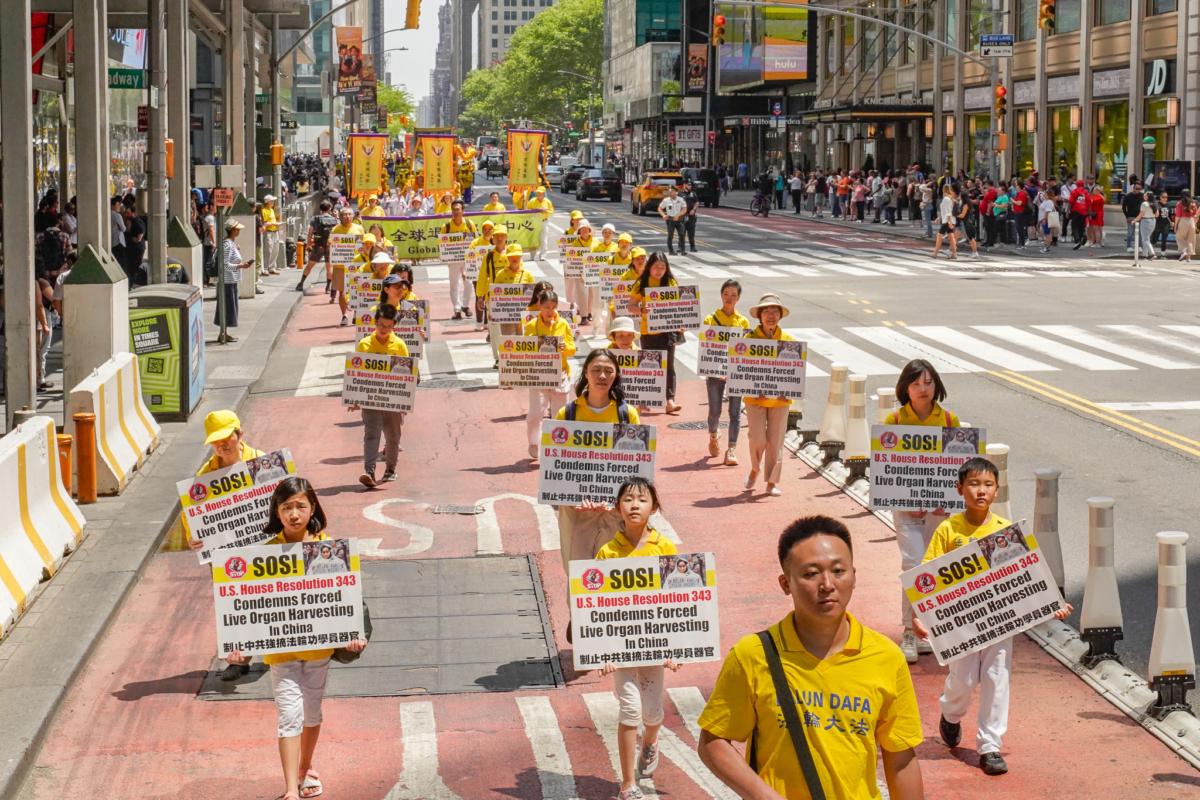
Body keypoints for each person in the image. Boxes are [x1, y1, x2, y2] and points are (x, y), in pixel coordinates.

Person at [698, 515, 925, 800]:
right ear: (785, 583)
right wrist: (763, 796)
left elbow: (901, 757)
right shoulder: (753, 655)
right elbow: (713, 740)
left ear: (854, 575)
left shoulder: (886, 657)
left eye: (839, 571)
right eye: (810, 573)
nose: (827, 584)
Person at [913, 458, 1072, 776]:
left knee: (997, 678)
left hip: (999, 625)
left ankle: (990, 747)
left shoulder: (1005, 532)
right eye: (973, 484)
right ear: (960, 489)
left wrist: (1050, 606)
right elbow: (926, 578)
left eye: (987, 484)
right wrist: (921, 616)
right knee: (965, 680)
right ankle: (950, 713)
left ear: (996, 490)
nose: (981, 490)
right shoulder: (948, 530)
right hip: (961, 626)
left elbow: (1026, 581)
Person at [224, 477, 368, 800]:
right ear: (277, 511)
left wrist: (353, 635)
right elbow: (253, 606)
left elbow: (344, 600)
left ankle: (306, 767)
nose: (293, 514)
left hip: (318, 651)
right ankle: (291, 789)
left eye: (300, 506)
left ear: (313, 507)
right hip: (281, 654)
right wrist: (241, 646)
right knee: (290, 716)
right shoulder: (262, 555)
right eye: (286, 507)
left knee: (312, 713)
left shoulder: (329, 549)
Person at [593, 478, 680, 800]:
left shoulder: (665, 548)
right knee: (629, 711)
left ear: (654, 508)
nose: (634, 505)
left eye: (642, 500)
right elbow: (596, 607)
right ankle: (627, 784)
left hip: (655, 648)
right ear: (617, 507)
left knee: (653, 714)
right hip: (621, 649)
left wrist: (675, 648)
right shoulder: (607, 552)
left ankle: (651, 741)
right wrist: (602, 652)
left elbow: (679, 604)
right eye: (627, 499)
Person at [882, 359, 959, 663]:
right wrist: (908, 497)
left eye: (928, 382)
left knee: (934, 567)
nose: (923, 389)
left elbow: (958, 468)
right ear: (906, 388)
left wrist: (947, 497)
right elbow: (886, 468)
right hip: (906, 509)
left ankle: (928, 627)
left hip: (938, 511)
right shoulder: (896, 421)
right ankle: (908, 632)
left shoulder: (950, 420)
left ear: (936, 384)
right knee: (913, 565)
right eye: (916, 384)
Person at [553, 350, 641, 597]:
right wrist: (575, 498)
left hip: (615, 510)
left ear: (616, 375)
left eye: (608, 370)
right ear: (585, 374)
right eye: (596, 370)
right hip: (577, 512)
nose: (602, 376)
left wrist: (618, 500)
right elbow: (557, 467)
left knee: (614, 574)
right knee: (578, 572)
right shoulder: (567, 415)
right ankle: (579, 620)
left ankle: (604, 626)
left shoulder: (628, 415)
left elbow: (637, 466)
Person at [740, 293, 795, 497]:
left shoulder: (789, 341)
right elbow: (740, 368)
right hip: (755, 399)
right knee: (757, 438)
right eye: (766, 312)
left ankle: (771, 482)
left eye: (774, 312)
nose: (770, 316)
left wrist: (786, 390)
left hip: (780, 400)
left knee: (775, 442)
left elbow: (794, 373)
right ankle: (755, 469)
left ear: (780, 315)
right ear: (759, 316)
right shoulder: (748, 340)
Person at [350, 304, 410, 488]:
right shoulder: (364, 344)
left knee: (393, 437)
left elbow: (407, 374)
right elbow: (356, 373)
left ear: (394, 327)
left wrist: (404, 402)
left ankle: (390, 469)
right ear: (375, 323)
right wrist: (355, 398)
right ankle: (369, 471)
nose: (384, 330)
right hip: (371, 399)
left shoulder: (399, 345)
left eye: (388, 326)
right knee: (371, 434)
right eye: (381, 325)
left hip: (392, 401)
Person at [524, 287, 575, 461]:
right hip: (539, 374)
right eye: (546, 307)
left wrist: (563, 347)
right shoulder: (531, 325)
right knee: (536, 413)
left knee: (560, 414)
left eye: (553, 307)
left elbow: (572, 349)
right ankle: (533, 442)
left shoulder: (563, 324)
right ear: (539, 307)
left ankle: (558, 448)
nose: (550, 311)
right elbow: (526, 348)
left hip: (560, 375)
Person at [702, 279, 750, 466]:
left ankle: (731, 449)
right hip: (715, 372)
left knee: (735, 412)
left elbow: (746, 349)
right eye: (726, 294)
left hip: (735, 373)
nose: (729, 298)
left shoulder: (743, 321)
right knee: (715, 411)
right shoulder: (710, 319)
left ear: (738, 298)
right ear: (721, 295)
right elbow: (706, 347)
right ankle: (714, 435)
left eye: (734, 295)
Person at [631, 252, 683, 415]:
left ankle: (669, 400)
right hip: (648, 331)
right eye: (656, 267)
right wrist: (640, 309)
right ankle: (645, 399)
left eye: (662, 267)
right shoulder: (642, 283)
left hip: (668, 331)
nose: (659, 270)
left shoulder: (671, 282)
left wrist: (682, 322)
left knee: (669, 365)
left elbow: (681, 306)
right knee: (649, 364)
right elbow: (630, 305)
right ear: (649, 267)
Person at [488, 242, 536, 367]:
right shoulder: (501, 275)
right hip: (506, 316)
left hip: (523, 316)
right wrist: (492, 312)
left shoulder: (528, 275)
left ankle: (520, 366)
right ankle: (510, 366)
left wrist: (532, 313)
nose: (515, 259)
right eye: (512, 256)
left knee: (522, 340)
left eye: (517, 256)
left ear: (521, 258)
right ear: (507, 258)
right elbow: (495, 296)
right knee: (508, 340)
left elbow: (534, 298)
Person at [216, 219, 254, 341]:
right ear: (232, 230)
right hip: (227, 281)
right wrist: (241, 265)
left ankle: (224, 333)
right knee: (227, 307)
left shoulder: (231, 244)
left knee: (229, 307)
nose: (239, 231)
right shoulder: (227, 245)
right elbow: (224, 265)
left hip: (231, 280)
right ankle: (223, 333)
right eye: (237, 229)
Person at [441, 200, 477, 320]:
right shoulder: (445, 227)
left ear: (462, 211)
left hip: (468, 258)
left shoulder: (469, 224)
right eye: (454, 209)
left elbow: (475, 240)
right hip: (453, 260)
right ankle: (457, 308)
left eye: (458, 209)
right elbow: (442, 244)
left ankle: (465, 306)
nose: (456, 212)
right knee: (454, 285)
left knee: (469, 283)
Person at [297, 200, 337, 293]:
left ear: (321, 209)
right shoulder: (334, 220)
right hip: (329, 245)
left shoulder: (315, 219)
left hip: (318, 245)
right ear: (330, 209)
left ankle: (301, 283)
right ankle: (327, 287)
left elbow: (310, 232)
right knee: (329, 267)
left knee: (310, 265)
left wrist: (308, 244)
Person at [658, 185, 688, 256]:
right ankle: (671, 250)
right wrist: (663, 215)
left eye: (672, 191)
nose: (670, 193)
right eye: (670, 192)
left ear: (676, 192)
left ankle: (682, 250)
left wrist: (678, 215)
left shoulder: (681, 199)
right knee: (670, 235)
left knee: (682, 234)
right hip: (670, 219)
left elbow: (684, 209)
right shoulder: (666, 200)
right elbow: (660, 208)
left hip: (679, 219)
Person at [932, 184, 958, 260]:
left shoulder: (946, 199)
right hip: (948, 220)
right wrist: (939, 217)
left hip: (947, 220)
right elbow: (945, 210)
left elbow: (948, 211)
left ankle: (935, 253)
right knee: (951, 237)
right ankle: (954, 254)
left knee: (939, 236)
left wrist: (949, 222)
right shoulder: (950, 198)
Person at [526, 186, 555, 255]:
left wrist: (545, 211)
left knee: (544, 239)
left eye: (541, 193)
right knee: (533, 239)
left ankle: (543, 255)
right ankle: (532, 255)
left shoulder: (547, 202)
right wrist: (535, 211)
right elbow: (527, 210)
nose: (539, 194)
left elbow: (551, 211)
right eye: (538, 193)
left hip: (544, 221)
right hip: (534, 222)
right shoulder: (532, 201)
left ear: (544, 194)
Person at [261, 195, 282, 274]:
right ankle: (266, 268)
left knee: (275, 249)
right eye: (272, 201)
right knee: (268, 250)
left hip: (275, 231)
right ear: (267, 202)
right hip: (268, 231)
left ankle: (272, 267)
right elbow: (265, 223)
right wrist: (274, 223)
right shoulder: (264, 210)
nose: (273, 202)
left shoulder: (272, 210)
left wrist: (276, 223)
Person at [1173, 192, 1196, 263]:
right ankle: (1188, 258)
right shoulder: (1193, 203)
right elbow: (1194, 214)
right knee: (1190, 239)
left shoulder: (1180, 203)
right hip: (1191, 221)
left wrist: (1175, 226)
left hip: (1183, 221)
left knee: (1179, 237)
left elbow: (1178, 216)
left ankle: (1183, 252)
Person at [680, 181, 700, 253]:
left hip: (691, 216)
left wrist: (694, 210)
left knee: (691, 233)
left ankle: (692, 247)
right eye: (688, 185)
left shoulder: (693, 193)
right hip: (682, 216)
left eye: (690, 185)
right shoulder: (680, 194)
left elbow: (697, 202)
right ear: (684, 185)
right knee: (682, 233)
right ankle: (681, 248)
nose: (690, 186)